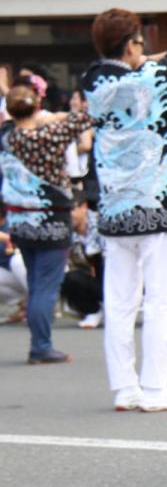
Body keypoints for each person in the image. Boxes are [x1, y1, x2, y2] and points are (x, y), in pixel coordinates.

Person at [84, 8, 167, 412]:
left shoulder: (93, 83)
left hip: (116, 209)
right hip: (157, 205)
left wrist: (137, 58)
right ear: (133, 43)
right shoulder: (153, 77)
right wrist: (149, 59)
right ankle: (155, 388)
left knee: (118, 300)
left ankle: (124, 389)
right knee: (162, 298)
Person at [0, 84, 93, 363]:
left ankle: (40, 342)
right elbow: (83, 119)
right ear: (38, 106)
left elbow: (9, 121)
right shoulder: (51, 135)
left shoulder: (6, 137)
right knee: (45, 286)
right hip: (52, 220)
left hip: (19, 221)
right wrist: (51, 116)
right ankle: (41, 346)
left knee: (35, 280)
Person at [62, 196, 105, 329]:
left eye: (72, 210)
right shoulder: (65, 230)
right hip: (89, 277)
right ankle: (93, 310)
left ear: (84, 206)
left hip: (114, 275)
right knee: (68, 278)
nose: (69, 215)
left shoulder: (102, 223)